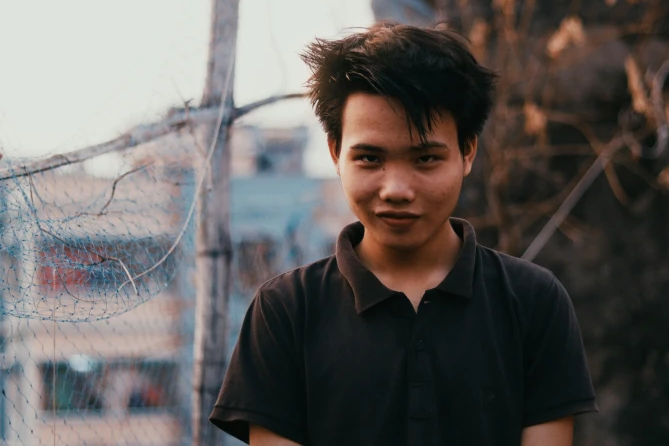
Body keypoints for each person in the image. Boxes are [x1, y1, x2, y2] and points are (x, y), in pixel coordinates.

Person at [209, 22, 597, 446]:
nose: (396, 189)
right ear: (336, 153)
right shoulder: (286, 312)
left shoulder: (534, 302)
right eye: (370, 158)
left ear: (467, 151)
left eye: (426, 158)